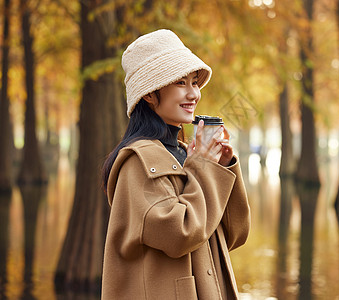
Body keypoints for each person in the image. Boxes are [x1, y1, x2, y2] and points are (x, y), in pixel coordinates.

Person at [101, 29, 250, 300]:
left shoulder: (183, 154)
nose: (194, 94)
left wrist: (223, 167)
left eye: (195, 82)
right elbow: (179, 234)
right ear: (149, 94)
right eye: (181, 83)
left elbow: (233, 235)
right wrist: (203, 166)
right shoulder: (139, 162)